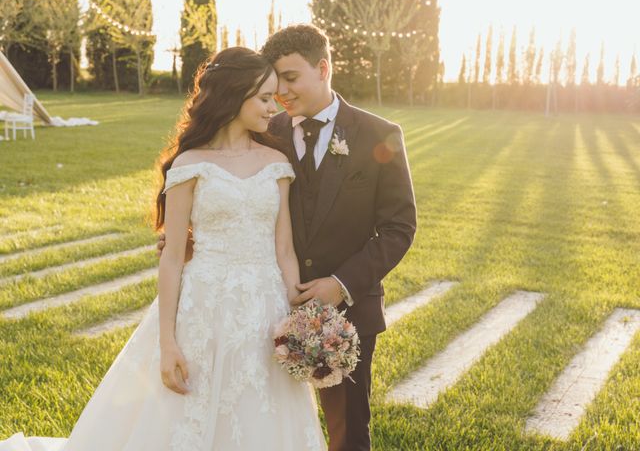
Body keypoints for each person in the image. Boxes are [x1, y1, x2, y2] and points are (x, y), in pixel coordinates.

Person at [0, 47, 327, 451]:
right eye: (263, 98)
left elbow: (285, 251)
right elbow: (173, 257)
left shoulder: (277, 163)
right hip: (202, 305)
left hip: (264, 308)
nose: (272, 107)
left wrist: (300, 319)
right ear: (233, 96)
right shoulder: (190, 164)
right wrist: (168, 341)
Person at [259, 24, 417, 451]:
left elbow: (400, 227)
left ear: (323, 68)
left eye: (290, 78)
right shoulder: (264, 133)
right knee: (268, 425)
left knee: (347, 432)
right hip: (269, 306)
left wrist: (341, 285)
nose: (282, 94)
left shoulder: (378, 134)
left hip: (349, 315)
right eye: (275, 84)